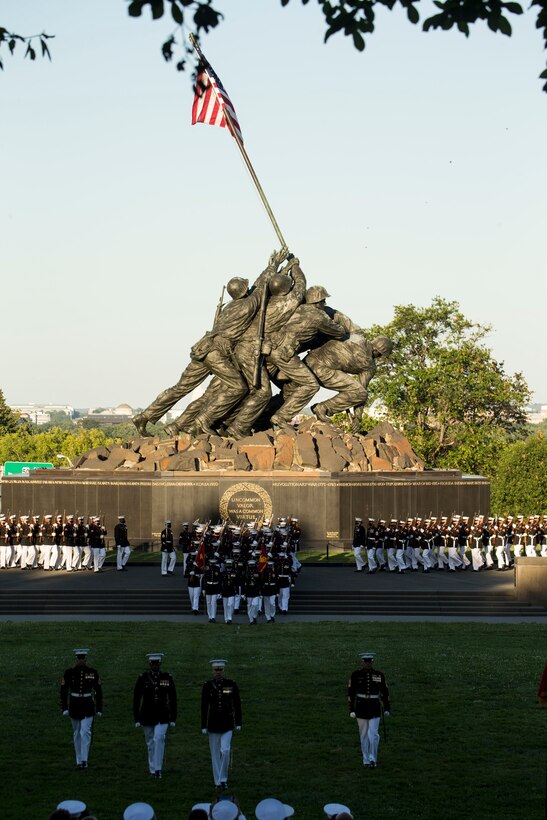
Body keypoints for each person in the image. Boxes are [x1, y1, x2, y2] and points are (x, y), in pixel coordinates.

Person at [133, 652, 177, 778]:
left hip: (163, 715)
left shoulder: (167, 677)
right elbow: (136, 699)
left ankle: (158, 769)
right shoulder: (143, 678)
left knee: (159, 738)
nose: (155, 665)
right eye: (153, 663)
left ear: (160, 663)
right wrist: (137, 718)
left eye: (157, 663)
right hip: (147, 715)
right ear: (150, 664)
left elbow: (173, 698)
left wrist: (173, 717)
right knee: (150, 743)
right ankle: (152, 768)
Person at [201, 659, 242, 791]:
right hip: (213, 724)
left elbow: (237, 704)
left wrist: (238, 722)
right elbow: (204, 707)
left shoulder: (231, 684)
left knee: (225, 750)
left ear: (223, 671)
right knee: (215, 754)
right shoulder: (207, 686)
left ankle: (223, 778)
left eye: (220, 670)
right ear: (212, 671)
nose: (218, 672)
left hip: (227, 723)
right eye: (216, 670)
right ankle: (217, 781)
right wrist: (203, 725)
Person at [60, 648, 103, 769]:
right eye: (79, 658)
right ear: (76, 658)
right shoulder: (69, 672)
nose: (81, 660)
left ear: (85, 658)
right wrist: (64, 707)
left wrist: (99, 708)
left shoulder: (92, 672)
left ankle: (84, 759)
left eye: (82, 658)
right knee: (77, 733)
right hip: (74, 705)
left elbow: (98, 691)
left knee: (85, 731)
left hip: (88, 705)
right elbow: (63, 691)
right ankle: (79, 759)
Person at [347, 651, 390, 768]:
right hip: (361, 707)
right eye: (365, 662)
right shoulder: (355, 675)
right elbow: (350, 693)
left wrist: (387, 707)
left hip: (374, 707)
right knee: (364, 735)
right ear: (362, 662)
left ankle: (373, 758)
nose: (367, 664)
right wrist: (351, 709)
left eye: (369, 662)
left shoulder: (379, 675)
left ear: (372, 662)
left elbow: (385, 692)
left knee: (374, 734)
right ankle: (365, 759)